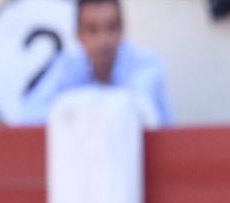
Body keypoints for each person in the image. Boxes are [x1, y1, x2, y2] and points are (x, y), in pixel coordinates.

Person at [16, 0, 174, 127]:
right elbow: (29, 115)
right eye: (92, 30)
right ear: (78, 35)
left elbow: (136, 113)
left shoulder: (146, 65)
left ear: (122, 29)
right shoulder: (68, 65)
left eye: (111, 28)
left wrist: (71, 110)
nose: (103, 40)